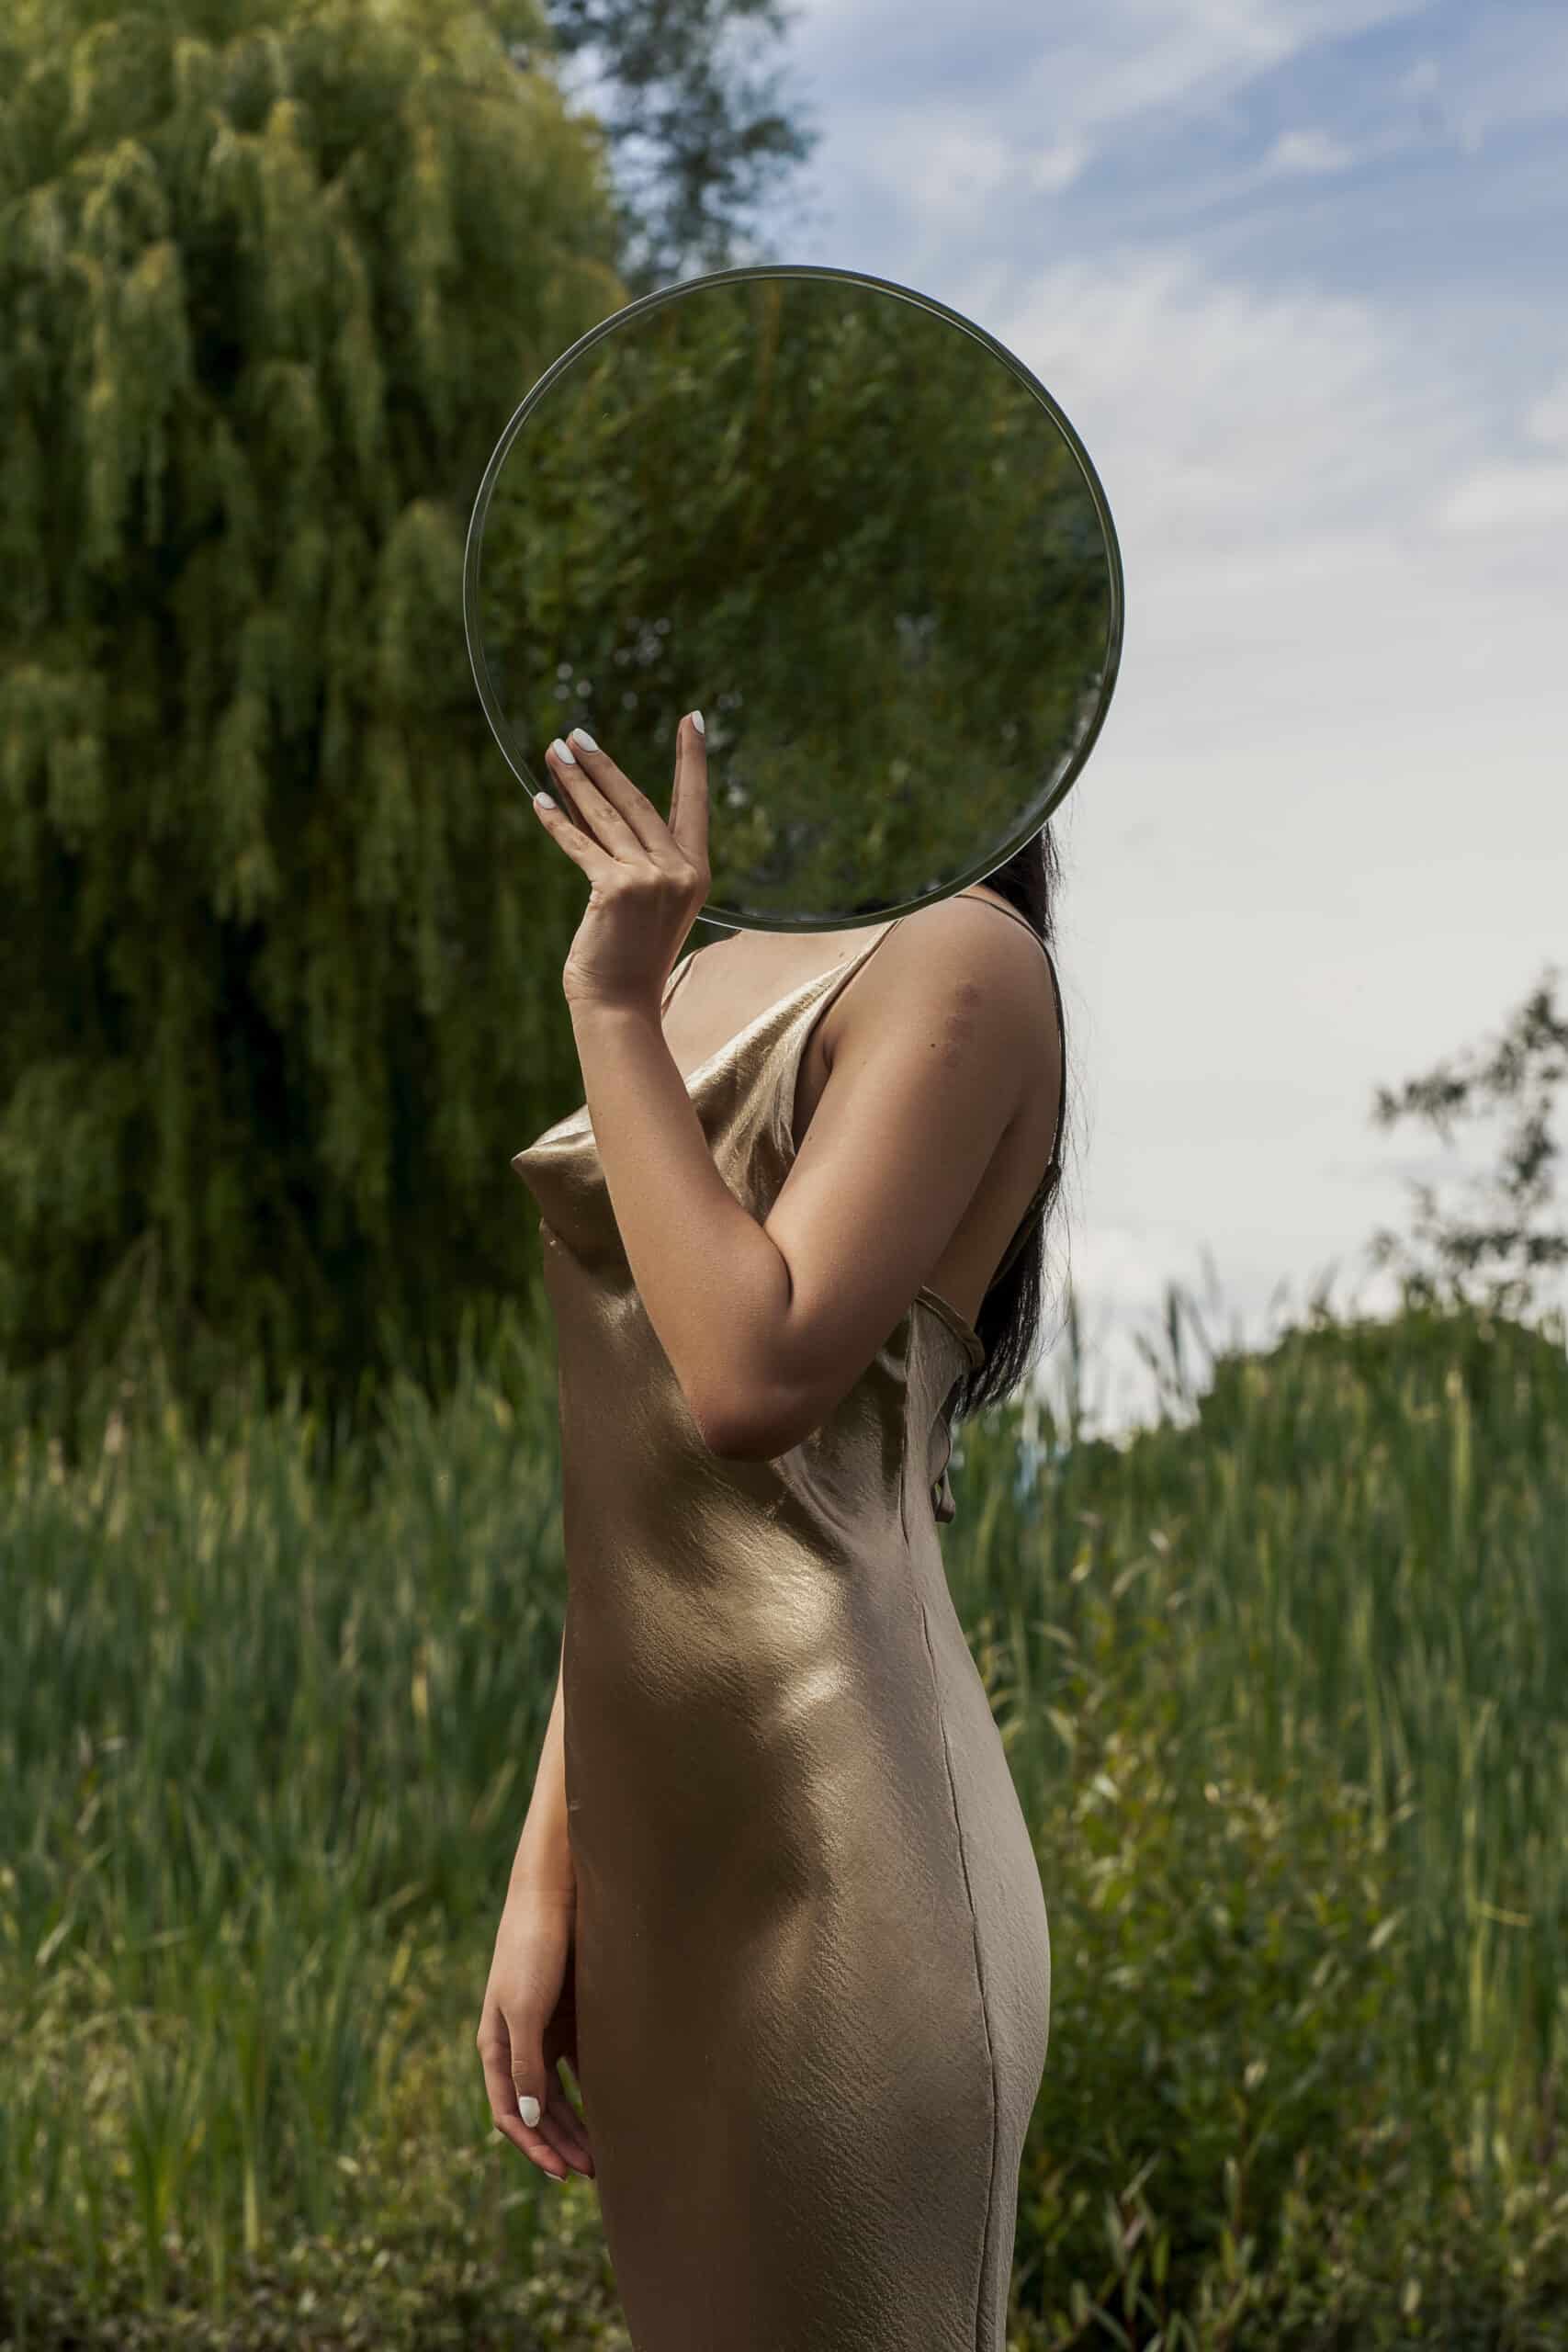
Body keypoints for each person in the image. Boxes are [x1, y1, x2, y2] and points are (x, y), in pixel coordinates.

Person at [477, 716, 1067, 2351]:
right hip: (668, 1873)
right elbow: (640, 1493)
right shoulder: (685, 970)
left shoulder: (965, 959)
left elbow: (748, 1376)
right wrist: (554, 1873)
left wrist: (600, 1005)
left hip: (845, 1853)